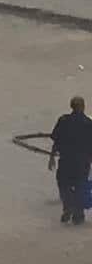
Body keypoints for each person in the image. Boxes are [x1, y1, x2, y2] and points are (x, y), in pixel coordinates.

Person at [50, 96, 92, 225]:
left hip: (66, 160)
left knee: (64, 184)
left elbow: (56, 139)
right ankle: (78, 213)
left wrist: (51, 157)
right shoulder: (89, 124)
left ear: (71, 106)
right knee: (80, 185)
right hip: (82, 162)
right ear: (83, 107)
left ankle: (68, 206)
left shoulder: (63, 121)